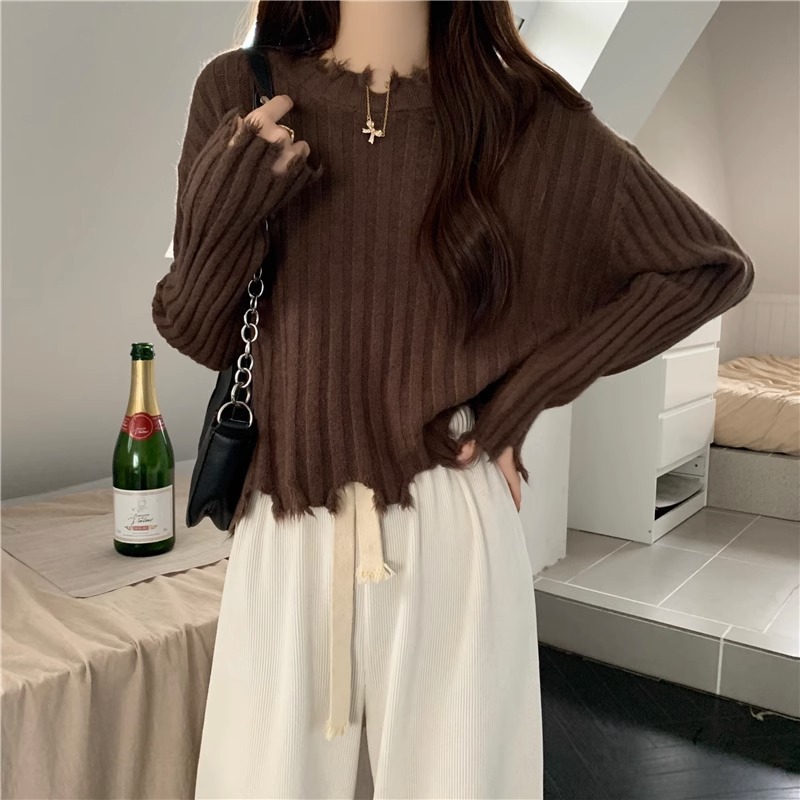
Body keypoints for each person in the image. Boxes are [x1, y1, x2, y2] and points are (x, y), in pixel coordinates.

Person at [152, 1, 755, 797]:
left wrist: (525, 396)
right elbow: (196, 331)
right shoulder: (240, 89)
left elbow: (706, 266)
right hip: (285, 515)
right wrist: (229, 207)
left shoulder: (519, 119)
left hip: (448, 521)